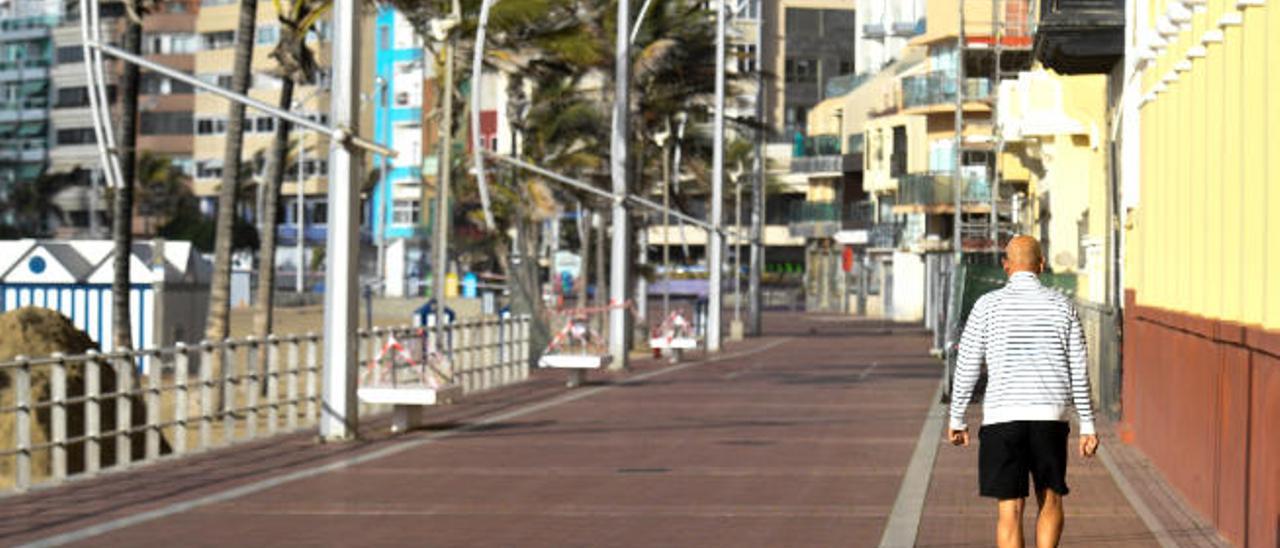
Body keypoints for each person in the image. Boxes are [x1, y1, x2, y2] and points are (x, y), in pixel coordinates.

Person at [947, 236, 1099, 548]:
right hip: (1050, 418)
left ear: (1006, 267)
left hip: (1002, 419)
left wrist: (957, 417)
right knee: (1051, 500)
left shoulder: (986, 306)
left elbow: (968, 364)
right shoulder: (1063, 306)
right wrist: (1088, 424)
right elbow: (1079, 369)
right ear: (1041, 266)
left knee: (1009, 511)